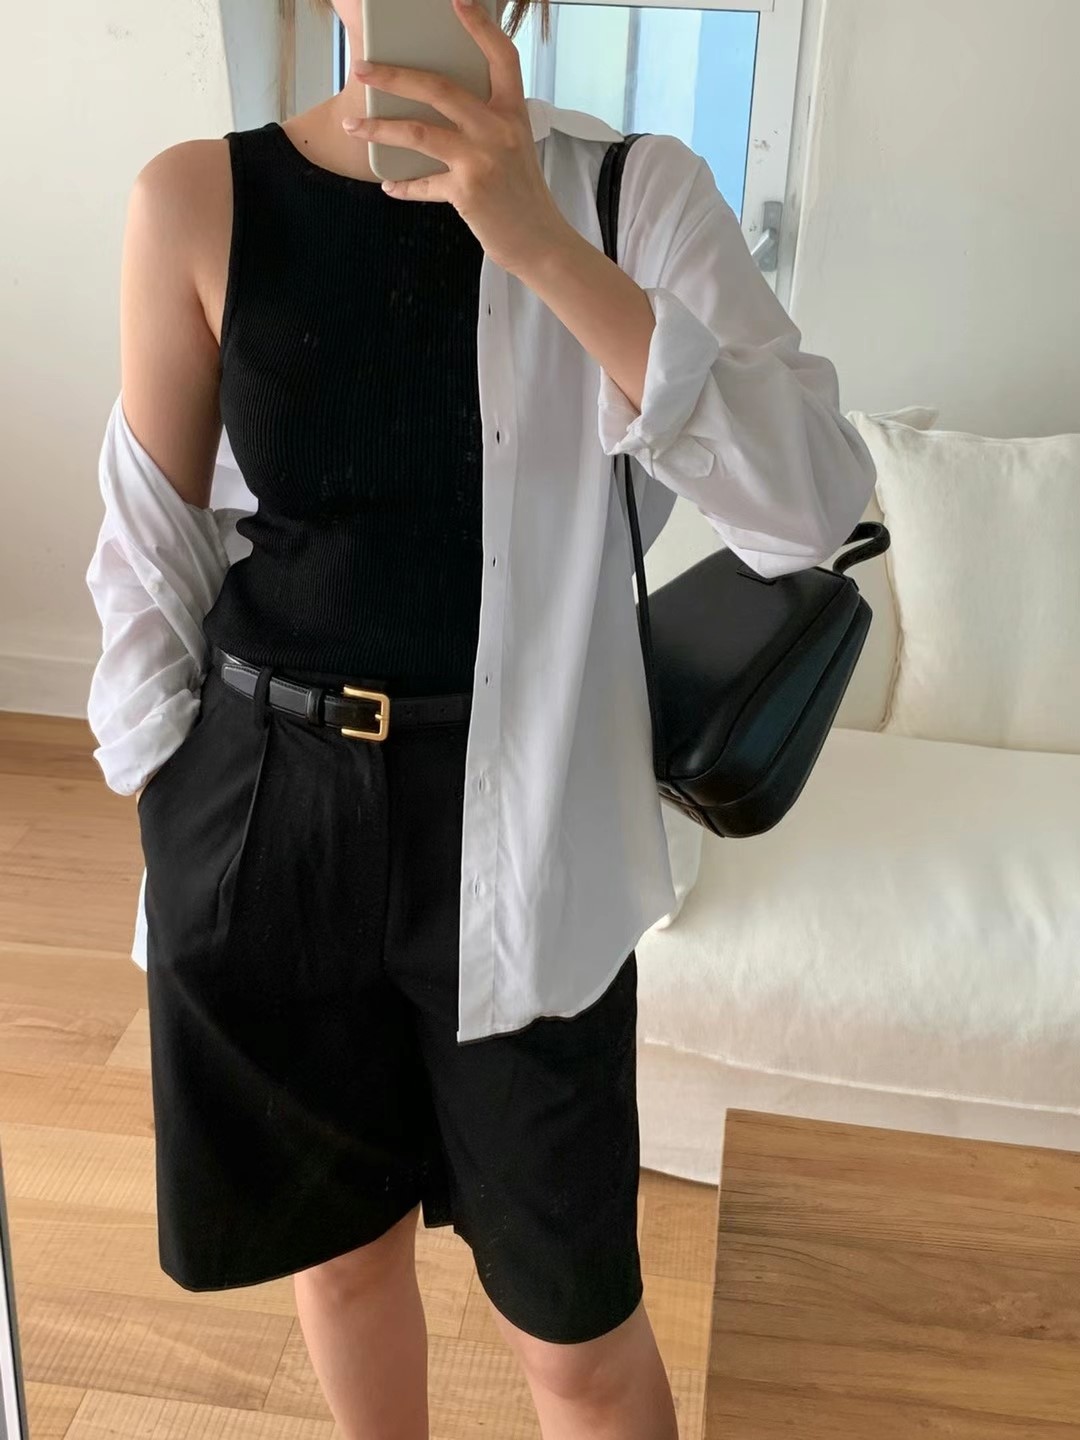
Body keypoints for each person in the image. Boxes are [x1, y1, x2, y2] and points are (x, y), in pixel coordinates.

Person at [85, 0, 877, 1435]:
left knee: (576, 1335)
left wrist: (539, 244)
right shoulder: (197, 199)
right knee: (343, 1265)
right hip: (269, 814)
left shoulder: (635, 194)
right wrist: (176, 811)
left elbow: (813, 505)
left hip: (527, 831)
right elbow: (152, 556)